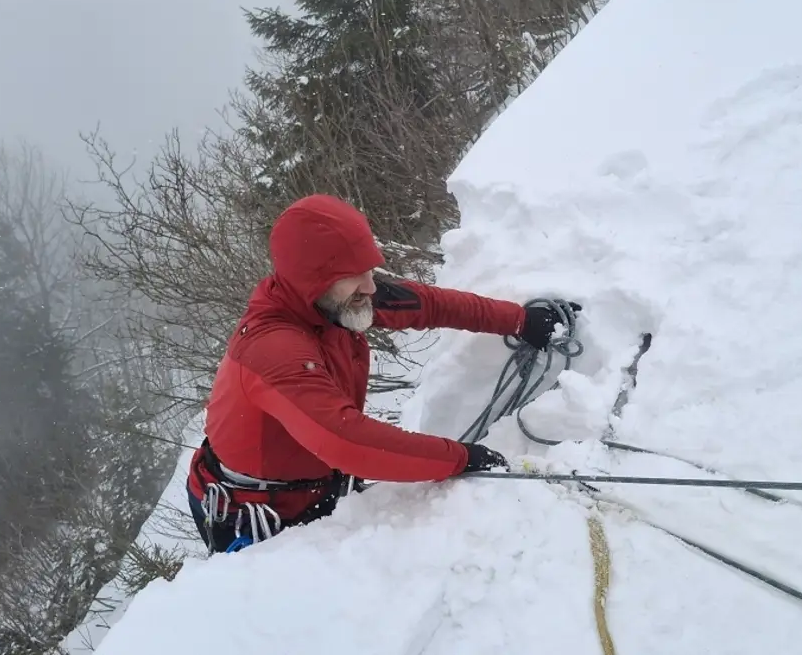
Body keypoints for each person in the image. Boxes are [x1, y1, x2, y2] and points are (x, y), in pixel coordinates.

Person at [186, 193, 576, 553]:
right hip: (256, 517)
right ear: (314, 280)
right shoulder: (274, 350)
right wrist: (458, 457)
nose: (371, 286)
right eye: (357, 275)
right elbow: (347, 442)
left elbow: (430, 305)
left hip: (316, 483)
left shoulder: (334, 302)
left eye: (370, 270)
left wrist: (520, 320)